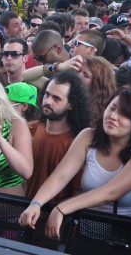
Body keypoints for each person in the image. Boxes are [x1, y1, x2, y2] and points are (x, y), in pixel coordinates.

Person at [19, 87, 131, 239]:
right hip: (87, 235)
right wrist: (36, 204)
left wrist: (61, 208)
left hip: (128, 241)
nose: (113, 116)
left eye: (124, 114)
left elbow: (110, 193)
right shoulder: (88, 136)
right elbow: (60, 176)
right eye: (112, 108)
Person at [25, 71, 93, 200]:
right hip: (20, 206)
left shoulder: (77, 143)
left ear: (71, 104)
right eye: (47, 94)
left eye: (56, 98)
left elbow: (77, 194)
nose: (48, 101)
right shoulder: (29, 129)